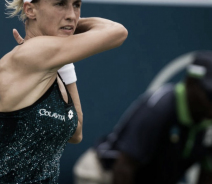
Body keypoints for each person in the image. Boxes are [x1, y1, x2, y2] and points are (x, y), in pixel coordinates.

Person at [0, 0, 128, 183]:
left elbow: (76, 133)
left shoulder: (52, 64)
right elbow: (117, 32)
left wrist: (64, 59)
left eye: (76, 5)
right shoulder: (33, 53)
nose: (72, 14)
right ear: (30, 9)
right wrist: (70, 29)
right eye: (60, 4)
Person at [74, 51, 212, 184]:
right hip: (104, 175)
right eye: (210, 94)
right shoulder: (161, 108)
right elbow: (124, 168)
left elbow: (207, 176)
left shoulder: (208, 123)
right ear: (190, 83)